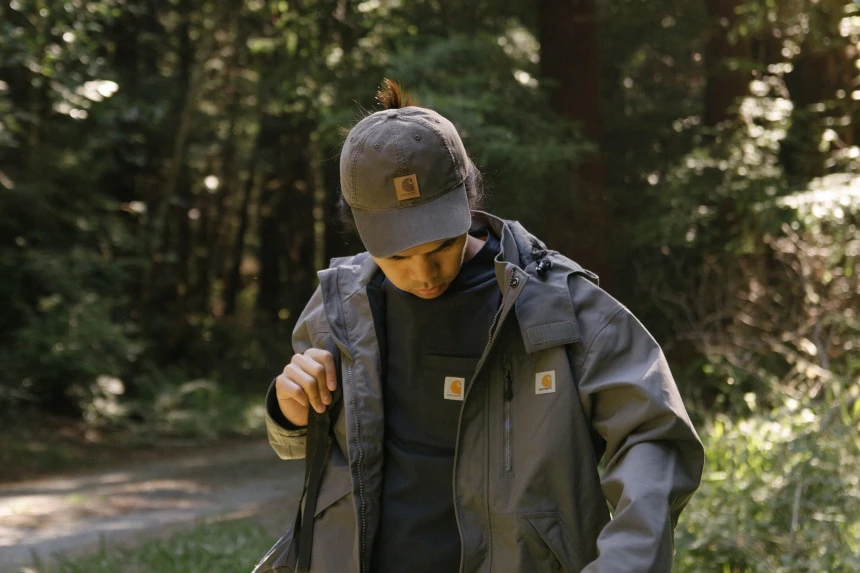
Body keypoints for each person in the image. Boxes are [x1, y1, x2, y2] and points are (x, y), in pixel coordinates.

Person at [260, 80, 704, 572]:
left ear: (468, 201)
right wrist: (288, 411)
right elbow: (307, 447)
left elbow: (654, 434)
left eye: (440, 246)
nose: (423, 274)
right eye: (397, 255)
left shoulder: (557, 301)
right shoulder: (336, 309)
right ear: (360, 226)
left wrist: (626, 563)